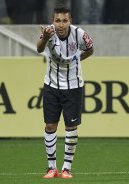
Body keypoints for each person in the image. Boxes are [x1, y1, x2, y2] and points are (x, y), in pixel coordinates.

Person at [36, 5, 94, 179]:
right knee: (50, 125)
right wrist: (45, 38)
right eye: (57, 20)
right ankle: (51, 168)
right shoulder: (48, 32)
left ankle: (67, 168)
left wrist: (76, 60)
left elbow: (90, 49)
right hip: (52, 85)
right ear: (53, 21)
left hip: (74, 85)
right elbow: (39, 49)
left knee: (71, 126)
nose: (61, 25)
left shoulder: (80, 34)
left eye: (64, 21)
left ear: (70, 21)